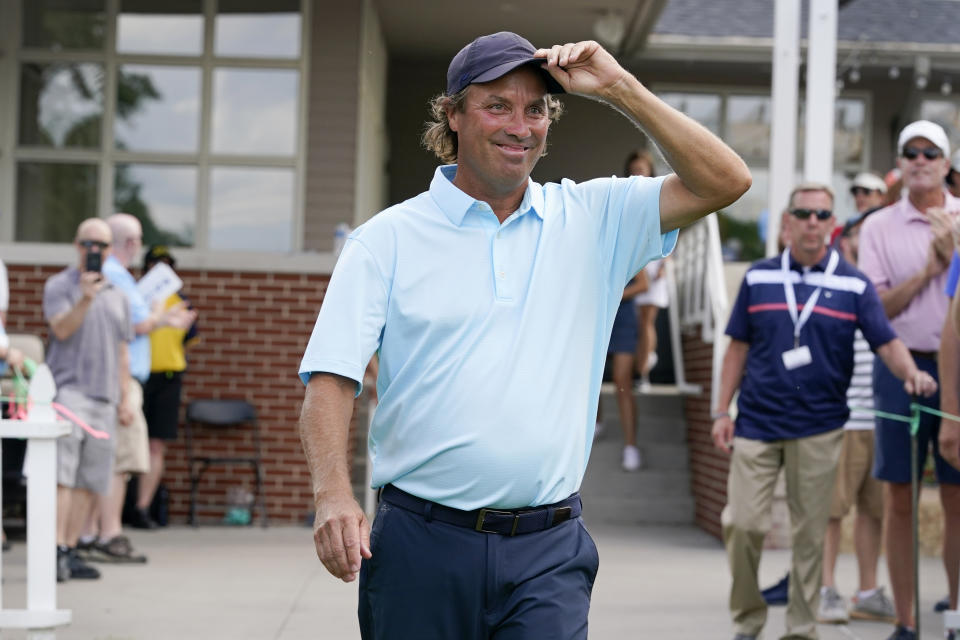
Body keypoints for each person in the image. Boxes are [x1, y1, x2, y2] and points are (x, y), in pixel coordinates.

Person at [298, 32, 751, 639]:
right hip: (419, 547)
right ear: (452, 114)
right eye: (497, 105)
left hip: (549, 554)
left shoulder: (594, 219)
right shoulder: (386, 239)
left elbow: (725, 180)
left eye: (535, 108)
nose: (520, 125)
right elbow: (330, 379)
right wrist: (332, 495)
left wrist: (619, 88)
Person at [711, 183, 936, 640]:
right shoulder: (759, 278)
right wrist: (721, 411)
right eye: (803, 213)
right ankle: (748, 620)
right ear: (787, 222)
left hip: (819, 427)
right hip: (756, 422)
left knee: (811, 536)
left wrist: (911, 372)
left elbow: (886, 341)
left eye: (821, 215)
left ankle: (801, 628)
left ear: (832, 225)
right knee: (742, 524)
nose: (812, 222)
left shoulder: (853, 284)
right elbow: (736, 348)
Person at [857, 120, 960, 640]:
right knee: (898, 493)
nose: (920, 160)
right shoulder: (877, 226)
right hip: (899, 367)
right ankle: (905, 618)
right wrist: (931, 267)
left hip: (959, 372)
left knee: (956, 493)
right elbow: (876, 309)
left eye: (930, 152)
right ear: (901, 165)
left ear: (946, 162)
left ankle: (956, 610)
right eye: (910, 153)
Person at [82, 213, 194, 563]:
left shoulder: (117, 277)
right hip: (121, 379)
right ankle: (107, 534)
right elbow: (134, 326)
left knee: (116, 459)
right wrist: (161, 313)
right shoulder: (115, 276)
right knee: (119, 461)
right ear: (130, 243)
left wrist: (162, 318)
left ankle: (90, 533)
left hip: (124, 379)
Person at [817, 209, 896, 624]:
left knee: (875, 511)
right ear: (842, 241)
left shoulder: (887, 282)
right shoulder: (834, 283)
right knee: (832, 511)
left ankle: (867, 592)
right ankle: (825, 590)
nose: (864, 243)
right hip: (844, 420)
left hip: (881, 418)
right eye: (857, 236)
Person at [44, 218, 134, 581]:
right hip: (69, 393)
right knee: (62, 479)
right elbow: (61, 329)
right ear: (76, 245)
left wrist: (126, 398)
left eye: (101, 244)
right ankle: (52, 551)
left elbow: (123, 352)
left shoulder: (119, 294)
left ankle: (70, 548)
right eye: (87, 244)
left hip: (104, 398)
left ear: (111, 250)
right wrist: (85, 296)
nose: (94, 251)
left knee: (89, 480)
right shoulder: (59, 285)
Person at [135, 245, 198, 527]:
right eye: (155, 265)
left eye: (167, 265)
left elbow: (188, 341)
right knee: (130, 445)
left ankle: (142, 508)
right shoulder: (135, 298)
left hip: (168, 377)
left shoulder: (181, 302)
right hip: (137, 377)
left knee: (155, 445)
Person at [624, 150, 671, 391]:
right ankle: (643, 365)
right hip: (635, 261)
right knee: (637, 322)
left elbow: (674, 225)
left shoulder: (661, 193)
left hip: (655, 263)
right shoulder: (625, 194)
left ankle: (643, 373)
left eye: (641, 169)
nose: (637, 174)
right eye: (633, 170)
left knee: (646, 322)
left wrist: (665, 264)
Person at [606, 271, 650, 470]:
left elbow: (643, 284)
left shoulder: (626, 242)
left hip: (622, 318)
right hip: (594, 317)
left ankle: (630, 446)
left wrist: (614, 294)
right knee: (588, 380)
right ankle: (596, 424)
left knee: (622, 382)